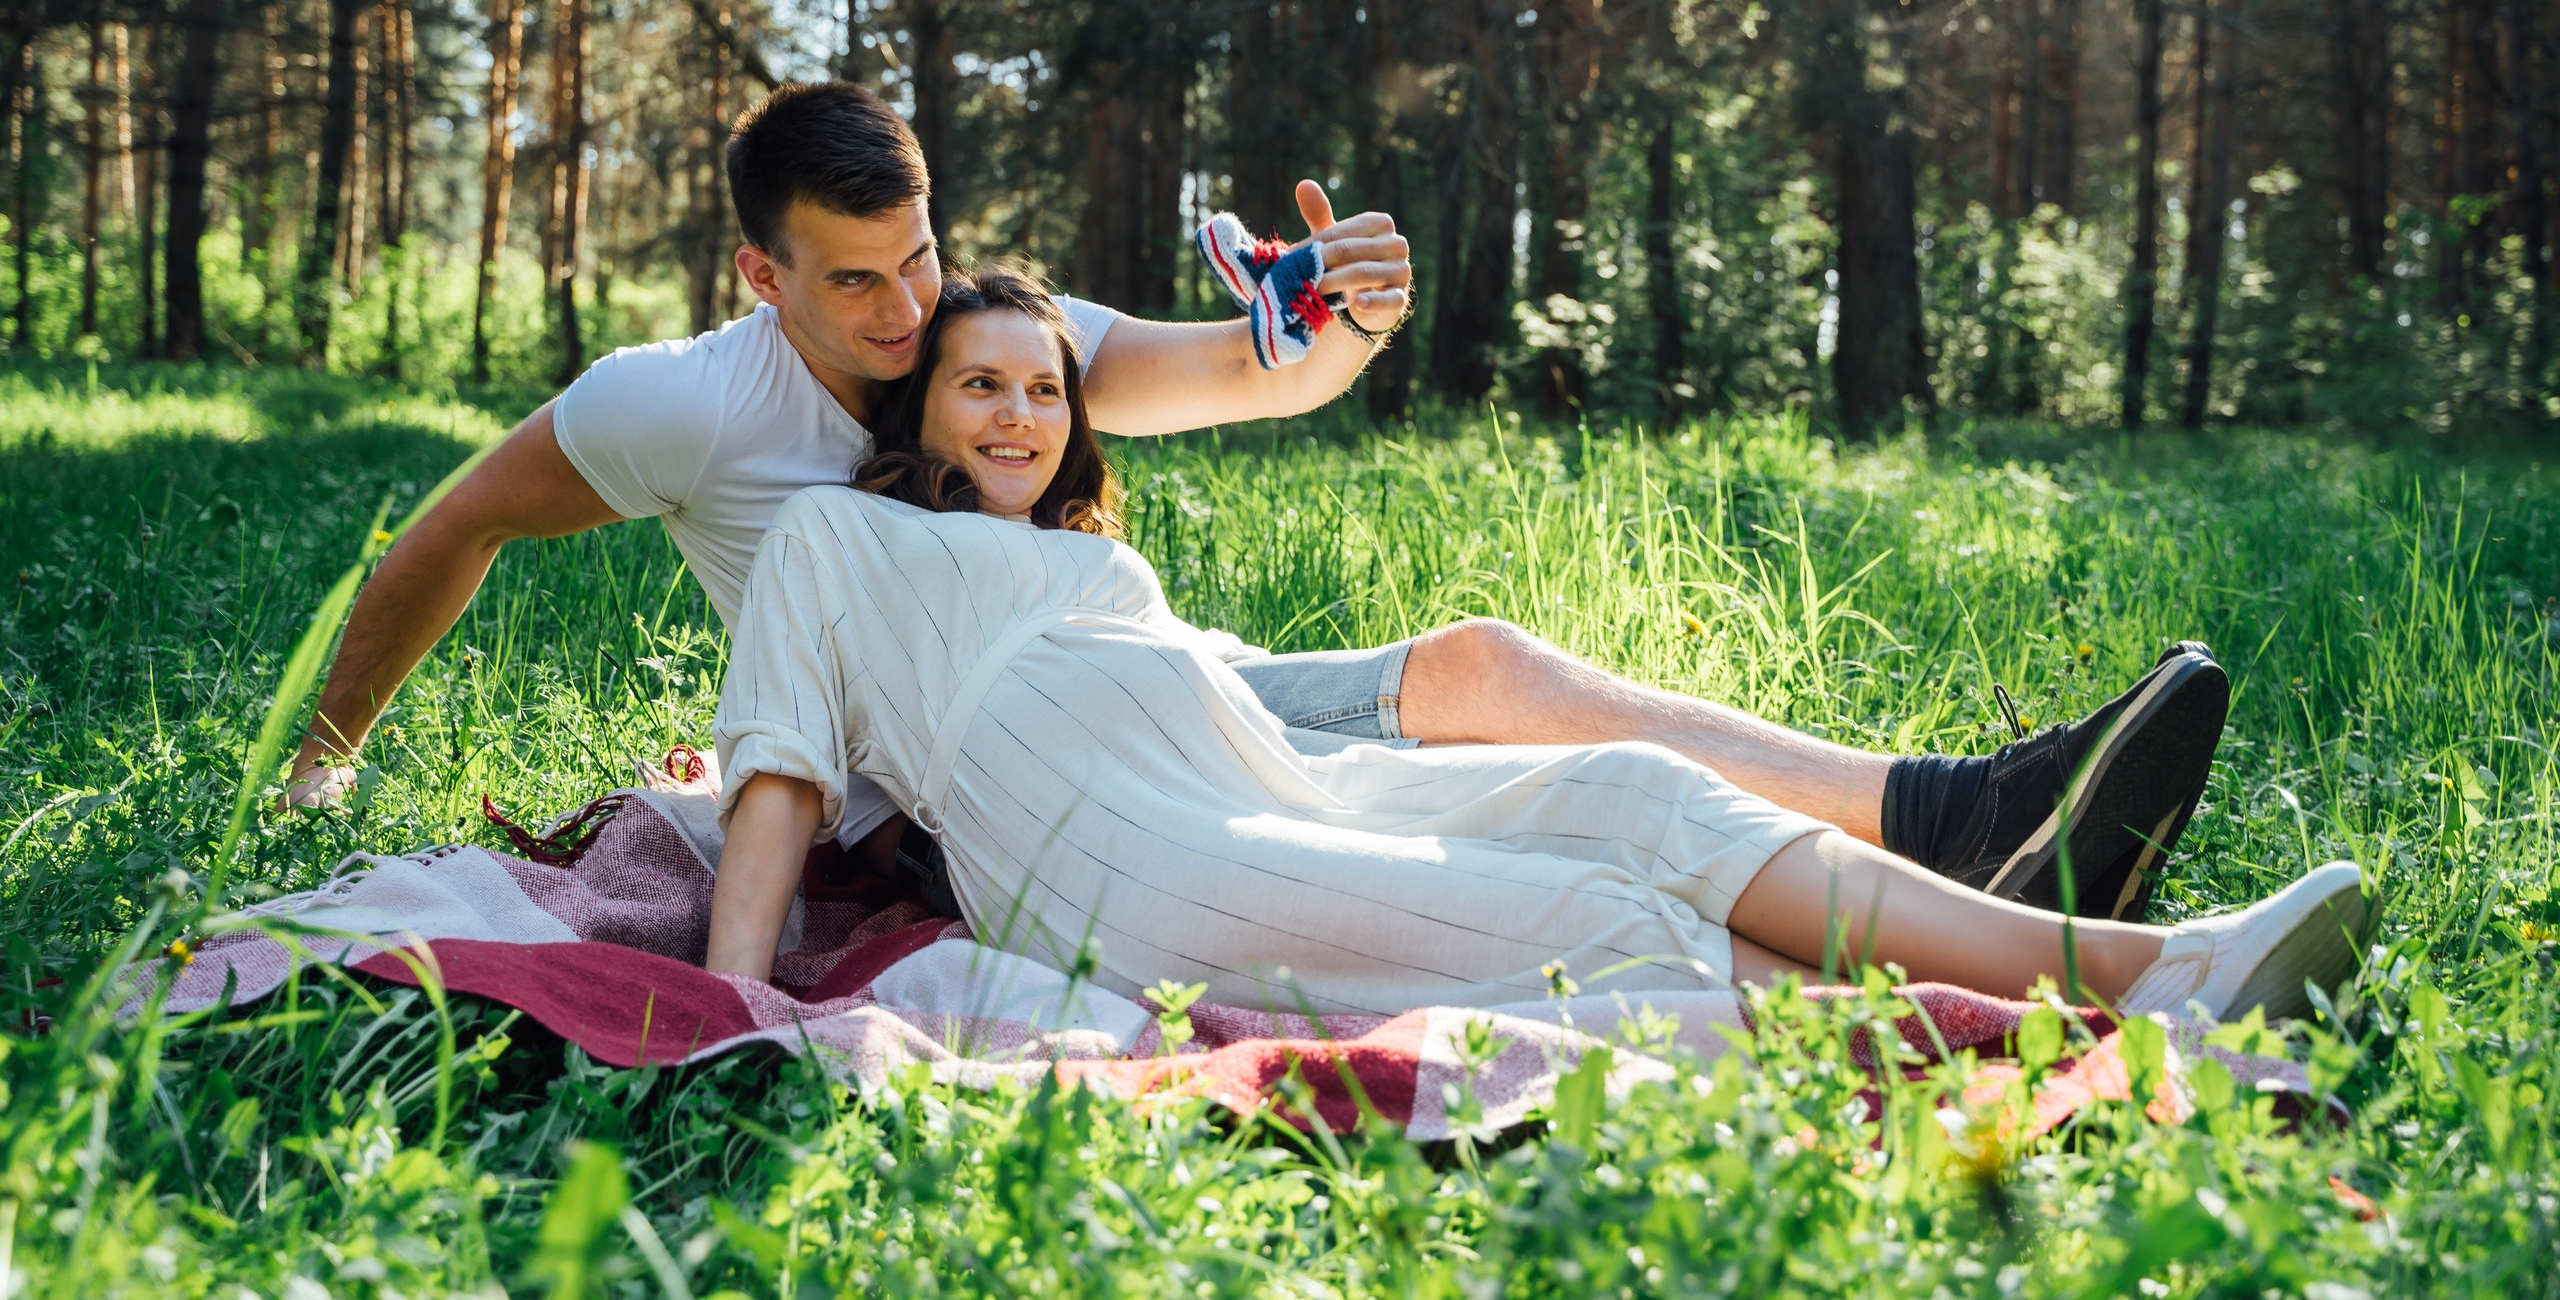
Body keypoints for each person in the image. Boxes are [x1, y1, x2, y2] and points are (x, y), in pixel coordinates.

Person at [286, 80, 2225, 924]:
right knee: (1479, 743)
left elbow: (1236, 365)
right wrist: (323, 761)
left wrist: (1338, 325)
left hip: (1128, 678)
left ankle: (1965, 814)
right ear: (756, 277)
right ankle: (1964, 852)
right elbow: (444, 529)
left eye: (921, 254)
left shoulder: (987, 338)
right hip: (985, 782)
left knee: (1474, 655)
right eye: (851, 281)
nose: (903, 313)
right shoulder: (674, 409)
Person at [702, 270, 2377, 1025]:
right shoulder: (840, 540)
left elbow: (1264, 423)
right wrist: (729, 998)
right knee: (1576, 918)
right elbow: (777, 771)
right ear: (918, 403)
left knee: (1641, 800)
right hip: (1119, 859)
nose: (1015, 410)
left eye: (1044, 385)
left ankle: (2143, 975)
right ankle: (2136, 996)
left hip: (1279, 783)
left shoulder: (1087, 560)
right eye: (979, 381)